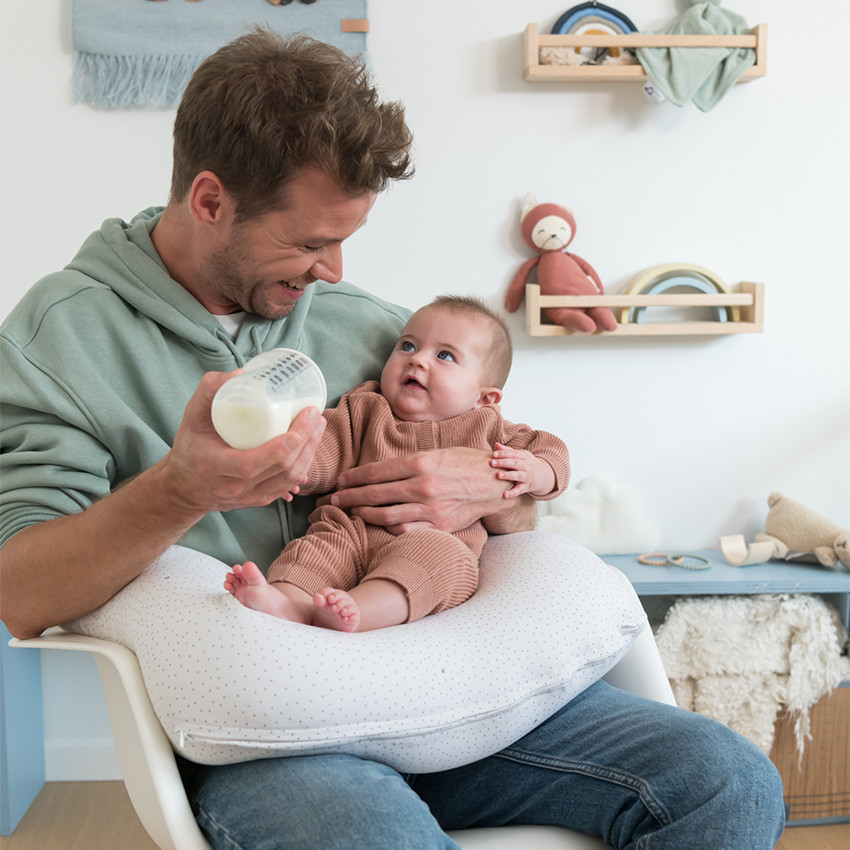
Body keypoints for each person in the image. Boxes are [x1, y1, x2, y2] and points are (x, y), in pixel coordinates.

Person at [0, 28, 785, 850]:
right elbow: (21, 591)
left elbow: (507, 501)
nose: (334, 270)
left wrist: (492, 485)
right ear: (209, 201)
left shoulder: (372, 329)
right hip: (276, 737)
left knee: (727, 783)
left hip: (444, 681)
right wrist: (182, 489)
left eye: (346, 239)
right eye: (309, 242)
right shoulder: (59, 342)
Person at [225, 295, 570, 632]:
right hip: (350, 530)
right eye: (407, 346)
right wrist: (293, 463)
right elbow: (327, 448)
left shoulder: (490, 428)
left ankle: (358, 610)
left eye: (445, 355)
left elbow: (553, 452)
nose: (418, 360)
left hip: (430, 538)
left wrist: (537, 472)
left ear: (484, 398)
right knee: (314, 550)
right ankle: (288, 603)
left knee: (442, 559)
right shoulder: (365, 408)